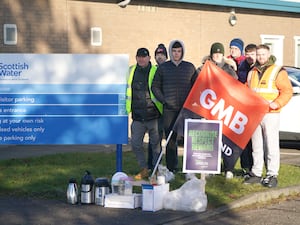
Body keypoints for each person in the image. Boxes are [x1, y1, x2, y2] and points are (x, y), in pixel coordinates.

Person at [244, 44, 293, 187]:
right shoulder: (252, 72)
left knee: (271, 144)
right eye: (258, 55)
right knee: (257, 145)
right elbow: (247, 90)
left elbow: (287, 91)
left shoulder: (278, 71)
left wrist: (277, 103)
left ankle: (272, 174)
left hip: (270, 113)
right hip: (255, 113)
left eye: (263, 54)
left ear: (268, 54)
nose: (260, 57)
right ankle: (257, 172)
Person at [151, 40, 197, 172]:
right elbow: (155, 86)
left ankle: (190, 167)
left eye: (179, 51)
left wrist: (191, 101)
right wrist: (164, 100)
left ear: (182, 52)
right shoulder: (163, 68)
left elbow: (197, 86)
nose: (176, 54)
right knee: (171, 139)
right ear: (170, 52)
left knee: (189, 138)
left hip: (186, 109)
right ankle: (172, 167)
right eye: (174, 51)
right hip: (169, 109)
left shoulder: (189, 67)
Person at [126, 47, 163, 180]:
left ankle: (156, 170)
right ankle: (144, 169)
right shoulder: (130, 71)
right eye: (139, 57)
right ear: (136, 58)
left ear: (149, 58)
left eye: (144, 56)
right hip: (137, 117)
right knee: (135, 144)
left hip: (153, 115)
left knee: (156, 146)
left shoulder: (156, 71)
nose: (141, 59)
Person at [147, 43, 168, 170]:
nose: (159, 57)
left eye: (162, 55)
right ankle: (153, 164)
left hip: (169, 109)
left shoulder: (170, 69)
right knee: (154, 139)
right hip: (155, 110)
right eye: (157, 55)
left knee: (171, 140)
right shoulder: (152, 70)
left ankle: (172, 166)